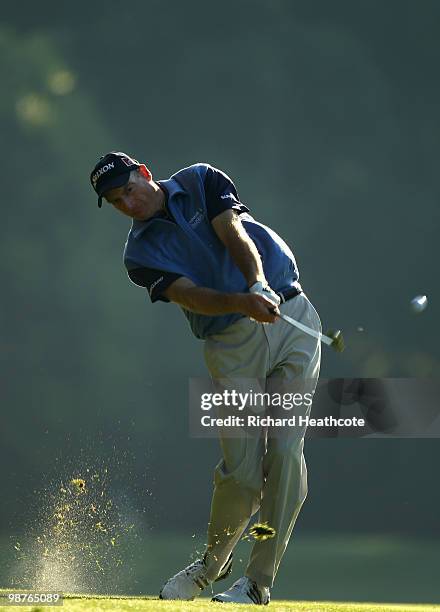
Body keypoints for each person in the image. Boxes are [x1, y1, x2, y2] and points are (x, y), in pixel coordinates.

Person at [90, 151, 321, 605]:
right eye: (117, 202)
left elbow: (230, 229)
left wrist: (256, 284)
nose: (128, 205)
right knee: (242, 472)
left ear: (144, 174)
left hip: (292, 314)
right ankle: (211, 568)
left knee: (288, 455)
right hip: (230, 345)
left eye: (128, 191)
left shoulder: (200, 180)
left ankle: (257, 583)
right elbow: (189, 296)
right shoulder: (139, 255)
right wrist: (242, 303)